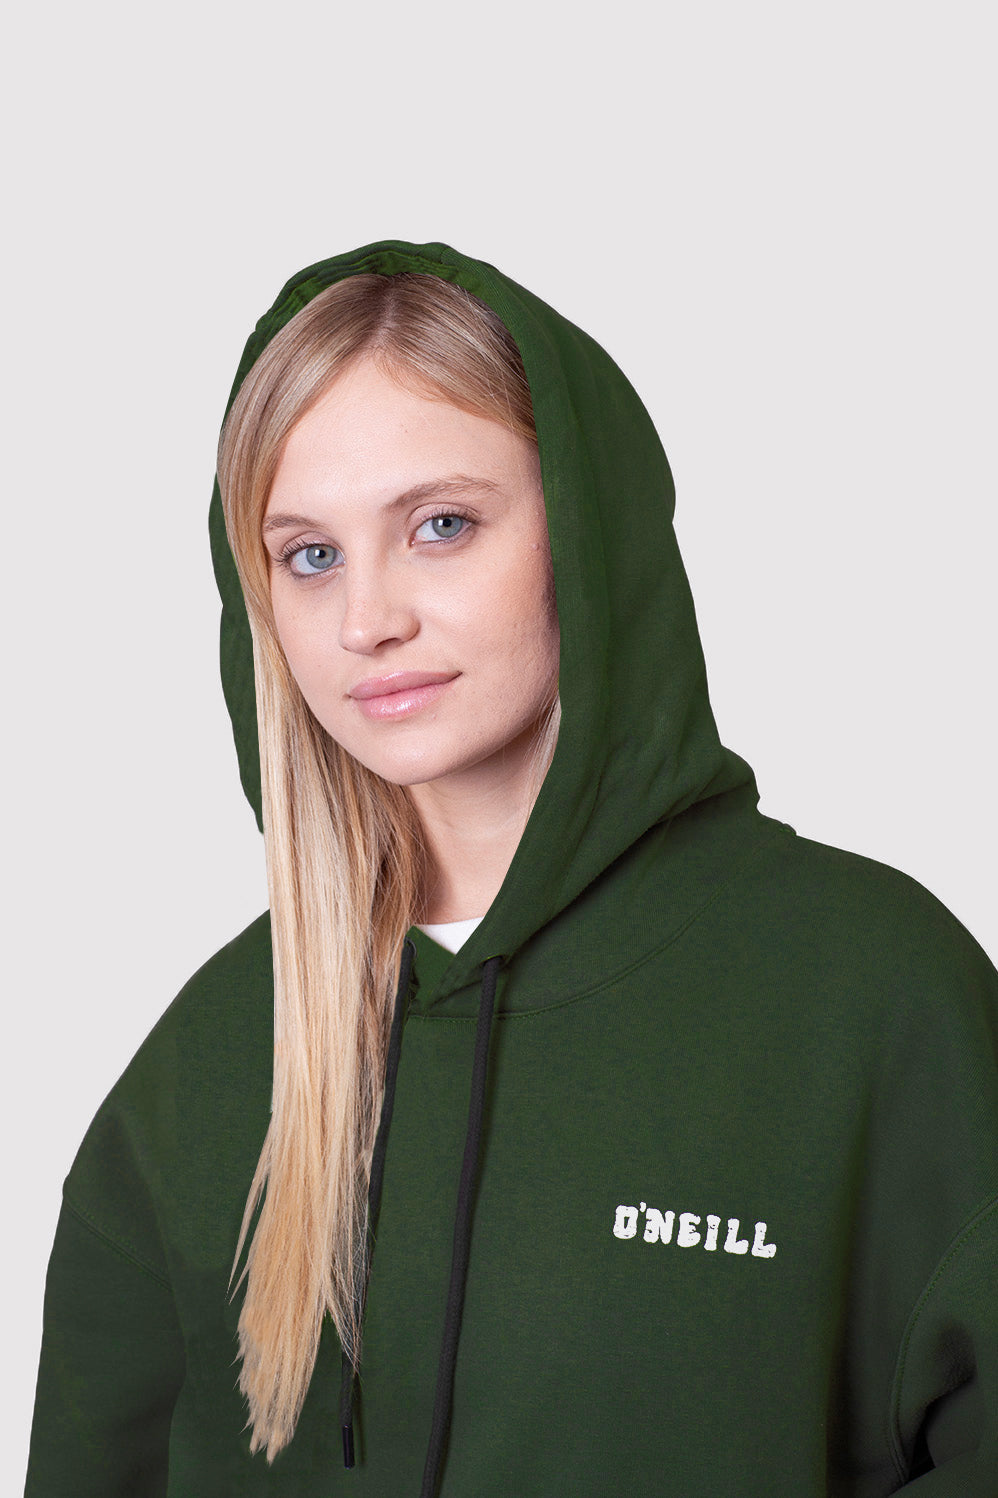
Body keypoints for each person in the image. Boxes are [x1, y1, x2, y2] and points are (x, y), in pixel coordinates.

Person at [25, 241, 998, 1496]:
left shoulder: (871, 994)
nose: (368, 619)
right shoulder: (213, 1059)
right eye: (310, 554)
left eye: (440, 525)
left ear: (584, 531)